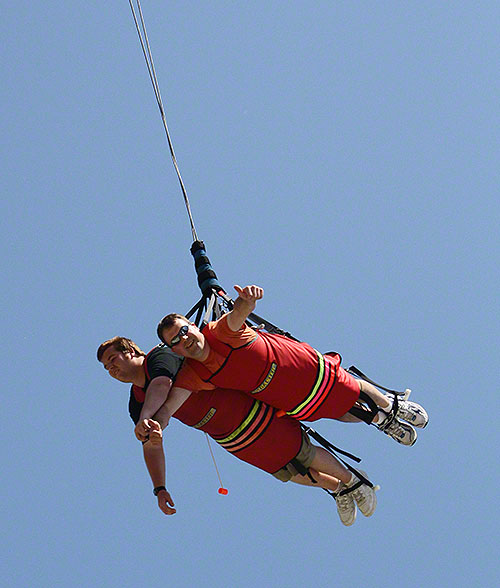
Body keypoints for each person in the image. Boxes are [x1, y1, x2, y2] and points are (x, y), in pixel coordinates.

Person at [97, 336, 379, 526]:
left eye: (113, 359)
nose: (112, 369)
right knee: (286, 470)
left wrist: (147, 417)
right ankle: (338, 489)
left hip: (246, 412)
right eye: (107, 367)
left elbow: (161, 384)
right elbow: (151, 445)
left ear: (131, 351)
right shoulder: (136, 401)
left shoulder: (160, 357)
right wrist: (159, 487)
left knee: (298, 451)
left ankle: (354, 481)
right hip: (229, 436)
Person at [157, 285, 429, 446]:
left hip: (308, 369)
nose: (184, 340)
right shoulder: (194, 374)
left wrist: (248, 300)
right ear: (174, 351)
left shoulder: (220, 331)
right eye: (176, 341)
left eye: (183, 331)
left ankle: (390, 405)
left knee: (349, 386)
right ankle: (379, 421)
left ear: (193, 326)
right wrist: (153, 424)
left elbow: (238, 314)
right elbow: (169, 407)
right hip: (292, 398)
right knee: (336, 410)